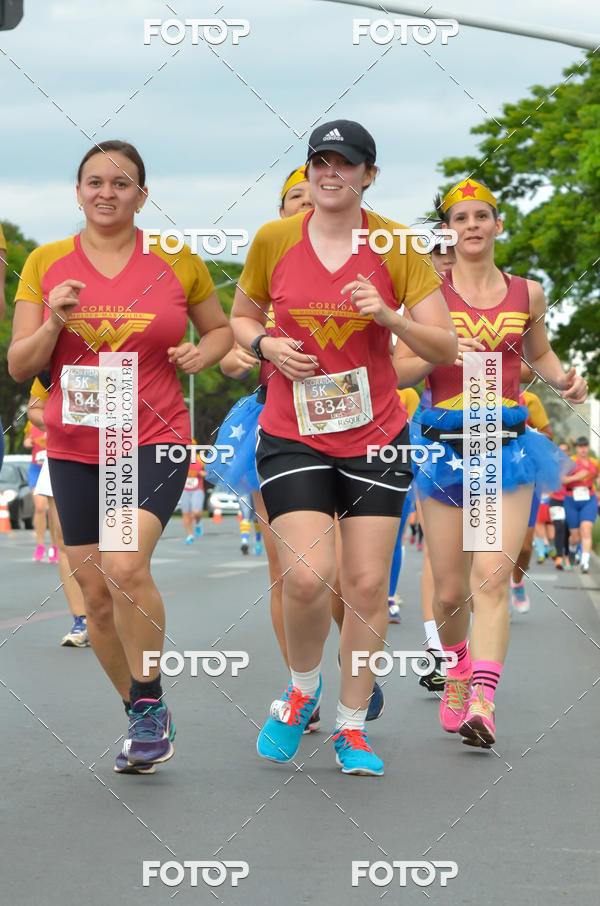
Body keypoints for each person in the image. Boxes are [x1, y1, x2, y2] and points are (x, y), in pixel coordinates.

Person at [231, 119, 457, 775]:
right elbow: (243, 317)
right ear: (308, 171)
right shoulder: (275, 239)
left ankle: (352, 728)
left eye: (345, 164)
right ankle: (303, 689)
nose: (330, 174)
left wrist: (390, 318)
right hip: (291, 430)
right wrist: (266, 345)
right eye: (320, 162)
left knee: (362, 584)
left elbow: (444, 347)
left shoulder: (397, 246)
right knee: (306, 576)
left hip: (377, 434)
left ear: (369, 175)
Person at [9, 140, 232, 774]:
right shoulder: (46, 262)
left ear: (141, 194)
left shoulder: (175, 261)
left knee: (124, 564)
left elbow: (217, 329)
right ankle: (143, 713)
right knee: (96, 598)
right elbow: (20, 363)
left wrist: (204, 353)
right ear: (77, 192)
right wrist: (52, 323)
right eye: (94, 182)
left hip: (153, 436)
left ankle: (150, 693)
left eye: (122, 183)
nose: (107, 192)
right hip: (77, 444)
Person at [398, 178, 586, 749]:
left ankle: (483, 698)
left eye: (482, 216)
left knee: (494, 576)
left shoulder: (527, 292)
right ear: (449, 232)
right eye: (461, 219)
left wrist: (563, 379)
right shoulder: (429, 295)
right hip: (444, 447)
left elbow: (540, 351)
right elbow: (404, 366)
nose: (472, 226)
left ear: (498, 225)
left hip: (506, 445)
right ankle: (455, 668)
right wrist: (416, 355)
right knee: (450, 589)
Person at [27, 373, 90, 646]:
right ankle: (82, 621)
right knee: (65, 542)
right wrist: (63, 421)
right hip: (63, 451)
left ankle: (116, 613)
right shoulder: (52, 360)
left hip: (115, 454)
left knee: (117, 542)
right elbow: (34, 409)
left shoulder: (122, 347)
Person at [509, 387, 554, 614]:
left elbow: (548, 434)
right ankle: (492, 593)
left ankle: (516, 581)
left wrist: (523, 431)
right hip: (489, 477)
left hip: (526, 478)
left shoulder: (529, 399)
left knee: (525, 547)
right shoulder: (479, 395)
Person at [23, 419, 59, 562]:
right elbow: (26, 440)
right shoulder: (31, 421)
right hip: (36, 469)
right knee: (40, 507)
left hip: (52, 467)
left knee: (52, 510)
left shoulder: (55, 417)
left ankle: (54, 545)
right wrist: (28, 442)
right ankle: (40, 545)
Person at [562, 436, 599, 574]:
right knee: (575, 536)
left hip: (589, 499)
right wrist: (576, 477)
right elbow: (561, 479)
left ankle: (585, 563)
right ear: (576, 448)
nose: (583, 449)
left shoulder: (594, 462)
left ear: (588, 447)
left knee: (586, 529)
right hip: (571, 500)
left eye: (585, 446)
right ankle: (572, 551)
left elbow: (598, 475)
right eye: (580, 446)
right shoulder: (570, 462)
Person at [550, 442, 572, 570]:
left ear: (568, 452)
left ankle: (567, 555)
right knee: (559, 528)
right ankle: (559, 557)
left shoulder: (573, 467)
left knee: (568, 530)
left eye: (565, 450)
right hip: (555, 501)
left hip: (569, 501)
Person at [181, 448, 205, 544]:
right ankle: (190, 535)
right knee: (186, 514)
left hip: (197, 490)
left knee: (196, 512)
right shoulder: (180, 462)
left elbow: (208, 472)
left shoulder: (199, 461)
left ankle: (198, 523)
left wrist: (203, 474)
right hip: (185, 491)